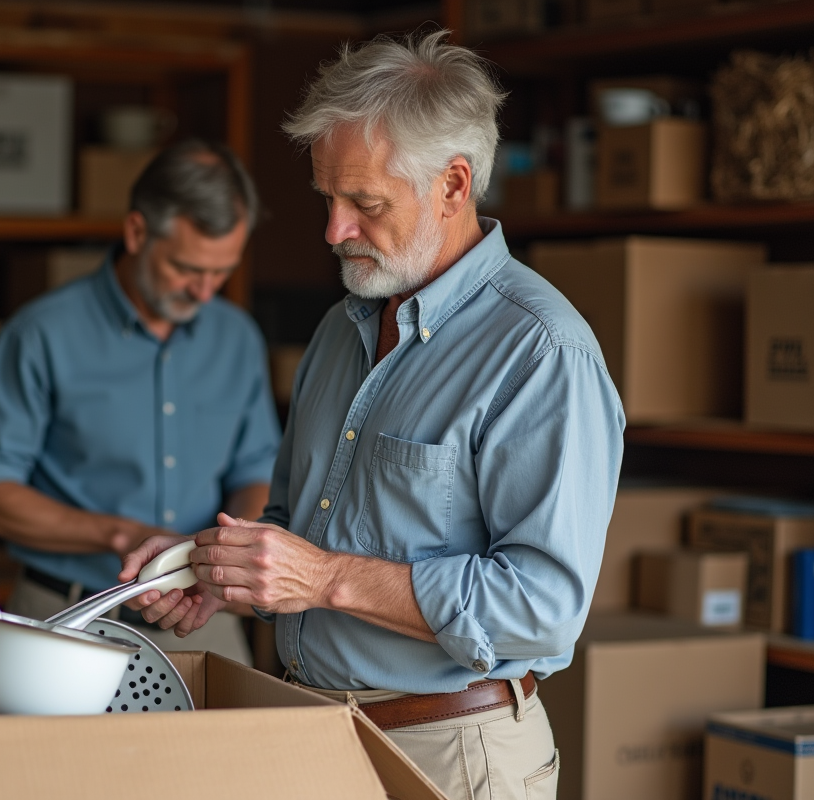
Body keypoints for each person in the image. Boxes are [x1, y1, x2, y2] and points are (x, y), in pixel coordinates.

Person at [122, 30, 625, 796]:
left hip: (453, 757)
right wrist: (219, 570)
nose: (333, 231)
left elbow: (542, 609)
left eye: (365, 203)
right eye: (328, 198)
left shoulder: (542, 351)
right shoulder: (340, 327)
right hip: (317, 739)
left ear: (454, 186)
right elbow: (300, 528)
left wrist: (325, 579)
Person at [0, 140, 281, 665]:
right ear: (136, 232)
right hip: (66, 619)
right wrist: (124, 534)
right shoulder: (42, 333)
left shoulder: (237, 338)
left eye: (220, 273)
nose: (205, 292)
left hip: (201, 621)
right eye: (187, 268)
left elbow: (256, 473)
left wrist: (227, 556)